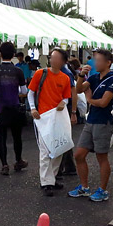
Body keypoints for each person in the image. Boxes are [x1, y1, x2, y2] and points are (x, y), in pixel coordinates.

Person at [69, 49, 113, 202]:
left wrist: (89, 100)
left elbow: (104, 103)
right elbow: (79, 89)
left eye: (98, 60)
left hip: (103, 122)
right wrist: (81, 75)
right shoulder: (94, 77)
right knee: (79, 155)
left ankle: (103, 190)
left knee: (101, 157)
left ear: (108, 63)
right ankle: (84, 187)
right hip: (91, 120)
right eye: (95, 60)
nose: (95, 63)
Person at [28, 47, 73, 196]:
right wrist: (33, 108)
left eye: (56, 58)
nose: (52, 60)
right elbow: (31, 92)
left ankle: (51, 179)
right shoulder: (40, 74)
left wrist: (63, 102)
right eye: (51, 57)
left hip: (58, 117)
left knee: (58, 149)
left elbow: (66, 97)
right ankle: (46, 182)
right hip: (43, 118)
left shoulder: (65, 78)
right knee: (45, 151)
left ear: (63, 61)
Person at [0, 42, 28, 175]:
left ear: (0, 54)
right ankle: (18, 160)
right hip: (14, 107)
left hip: (0, 108)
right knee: (17, 137)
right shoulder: (18, 71)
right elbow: (24, 91)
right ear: (13, 55)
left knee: (2, 137)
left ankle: (4, 165)